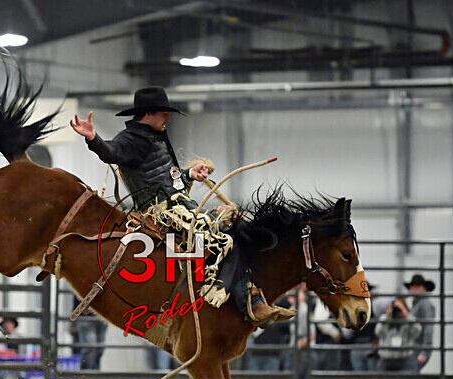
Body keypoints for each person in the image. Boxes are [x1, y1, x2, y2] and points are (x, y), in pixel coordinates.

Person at [70, 87, 293, 326]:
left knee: (234, 230)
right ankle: (240, 298)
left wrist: (188, 175)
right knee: (227, 237)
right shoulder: (131, 140)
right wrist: (93, 138)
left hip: (180, 206)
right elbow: (110, 152)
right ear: (148, 115)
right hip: (166, 212)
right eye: (163, 113)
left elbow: (164, 177)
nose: (168, 118)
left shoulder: (152, 136)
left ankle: (249, 298)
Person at [374, 297, 422, 372]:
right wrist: (387, 317)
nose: (397, 311)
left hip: (405, 359)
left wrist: (407, 315)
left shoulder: (409, 320)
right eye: (395, 308)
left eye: (399, 308)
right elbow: (378, 332)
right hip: (386, 359)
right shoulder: (385, 319)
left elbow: (416, 332)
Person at [404, 274, 436, 369]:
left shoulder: (425, 305)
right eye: (412, 287)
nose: (413, 289)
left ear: (424, 288)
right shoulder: (418, 304)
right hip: (415, 346)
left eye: (417, 287)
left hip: (418, 347)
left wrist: (424, 352)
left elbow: (428, 329)